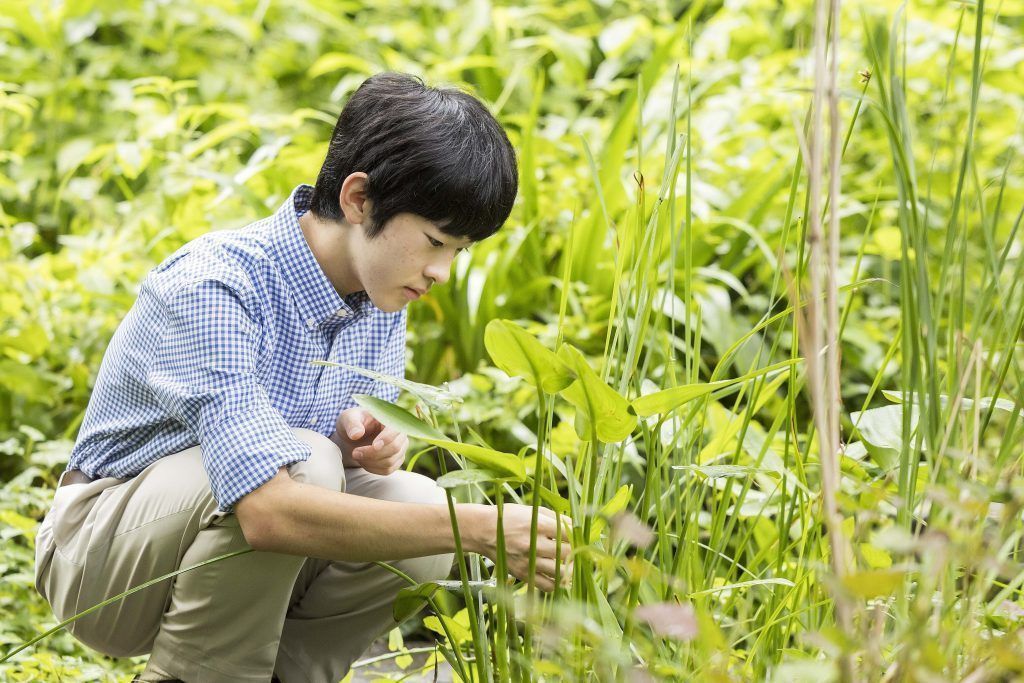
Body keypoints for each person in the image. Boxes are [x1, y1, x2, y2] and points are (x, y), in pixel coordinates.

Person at [33, 72, 573, 683]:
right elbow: (268, 512)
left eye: (459, 251)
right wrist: (479, 527)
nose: (443, 271)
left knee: (417, 503)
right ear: (359, 199)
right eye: (434, 241)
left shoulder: (379, 295)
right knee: (310, 465)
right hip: (100, 563)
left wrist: (365, 448)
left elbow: (332, 474)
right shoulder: (215, 286)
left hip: (232, 562)